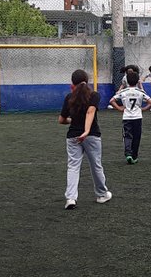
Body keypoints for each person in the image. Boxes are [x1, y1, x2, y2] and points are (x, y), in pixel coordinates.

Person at [58, 69, 112, 210]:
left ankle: (70, 198)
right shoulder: (94, 95)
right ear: (87, 81)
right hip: (92, 136)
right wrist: (86, 131)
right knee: (96, 165)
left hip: (73, 137)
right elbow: (90, 111)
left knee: (73, 167)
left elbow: (61, 120)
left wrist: (72, 121)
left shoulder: (69, 97)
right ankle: (101, 194)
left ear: (72, 83)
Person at [110, 71, 151, 164]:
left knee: (127, 136)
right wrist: (144, 109)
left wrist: (119, 108)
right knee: (136, 137)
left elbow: (112, 100)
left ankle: (128, 154)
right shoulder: (140, 92)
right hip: (138, 117)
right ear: (137, 81)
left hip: (127, 117)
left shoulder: (124, 92)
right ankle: (135, 156)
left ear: (127, 82)